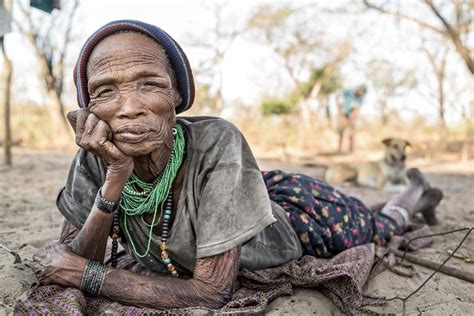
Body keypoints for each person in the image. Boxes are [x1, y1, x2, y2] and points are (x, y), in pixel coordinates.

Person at [29, 20, 443, 311]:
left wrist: (89, 278)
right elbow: (77, 254)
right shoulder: (95, 153)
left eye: (149, 84)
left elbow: (210, 291)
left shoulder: (217, 141)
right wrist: (115, 179)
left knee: (376, 226)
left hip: (294, 214)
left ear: (177, 94)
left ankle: (414, 194)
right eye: (106, 91)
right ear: (90, 107)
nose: (130, 108)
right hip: (239, 191)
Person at [336, 85, 367, 153]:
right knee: (341, 131)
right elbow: (338, 97)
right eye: (360, 91)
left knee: (352, 132)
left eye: (362, 93)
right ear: (358, 88)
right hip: (342, 113)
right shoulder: (348, 91)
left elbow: (356, 110)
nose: (360, 94)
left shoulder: (361, 98)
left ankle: (351, 150)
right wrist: (340, 113)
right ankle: (339, 149)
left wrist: (350, 119)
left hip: (352, 116)